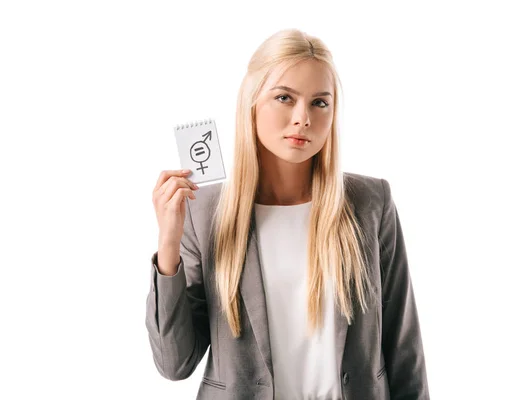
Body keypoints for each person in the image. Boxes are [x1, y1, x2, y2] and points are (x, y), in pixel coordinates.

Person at [146, 28, 430, 400]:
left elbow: (403, 347)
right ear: (252, 103)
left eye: (319, 103)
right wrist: (168, 244)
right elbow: (174, 364)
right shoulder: (206, 213)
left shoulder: (370, 203)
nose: (303, 118)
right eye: (284, 97)